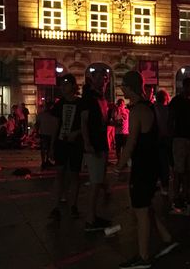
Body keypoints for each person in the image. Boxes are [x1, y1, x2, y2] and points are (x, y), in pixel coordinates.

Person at [116, 71, 178, 268]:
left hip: (143, 167)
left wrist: (118, 166)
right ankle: (167, 238)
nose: (121, 88)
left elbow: (131, 142)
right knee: (145, 205)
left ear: (129, 87)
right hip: (151, 165)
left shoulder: (137, 111)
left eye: (123, 85)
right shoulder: (148, 107)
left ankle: (143, 257)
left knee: (140, 211)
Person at [48, 74, 84, 220]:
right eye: (61, 84)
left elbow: (86, 124)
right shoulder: (59, 104)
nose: (63, 87)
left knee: (74, 174)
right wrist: (51, 146)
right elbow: (56, 126)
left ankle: (73, 205)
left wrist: (77, 132)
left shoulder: (81, 103)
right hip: (61, 143)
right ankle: (55, 206)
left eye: (66, 84)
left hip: (76, 144)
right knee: (59, 173)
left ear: (73, 86)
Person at [81, 67, 111, 231]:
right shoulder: (89, 97)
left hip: (101, 143)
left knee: (98, 180)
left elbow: (101, 121)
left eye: (105, 78)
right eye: (99, 78)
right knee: (95, 182)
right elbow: (84, 121)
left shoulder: (101, 98)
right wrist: (87, 143)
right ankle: (90, 219)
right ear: (92, 79)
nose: (103, 81)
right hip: (94, 144)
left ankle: (92, 216)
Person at [168, 77, 190, 213]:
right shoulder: (176, 101)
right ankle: (176, 198)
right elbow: (171, 120)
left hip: (188, 137)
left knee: (187, 169)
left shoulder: (188, 101)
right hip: (179, 138)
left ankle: (185, 195)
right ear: (186, 87)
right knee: (179, 170)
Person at [154, 89, 172, 197]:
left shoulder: (153, 108)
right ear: (166, 98)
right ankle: (165, 186)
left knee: (157, 161)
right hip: (167, 138)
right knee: (166, 163)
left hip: (157, 138)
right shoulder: (169, 109)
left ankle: (157, 181)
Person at [36, 101, 58, 169]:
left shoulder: (41, 115)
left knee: (44, 148)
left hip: (44, 133)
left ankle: (44, 161)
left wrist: (37, 132)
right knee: (48, 148)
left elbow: (37, 124)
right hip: (50, 133)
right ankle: (46, 161)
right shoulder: (54, 115)